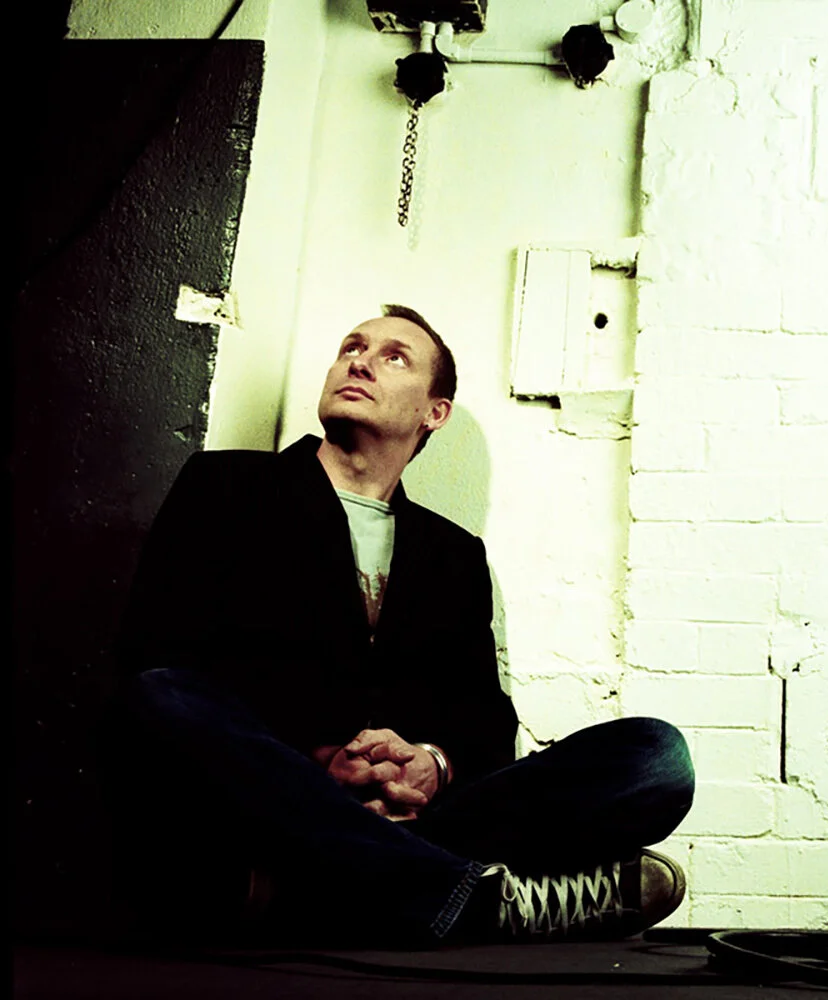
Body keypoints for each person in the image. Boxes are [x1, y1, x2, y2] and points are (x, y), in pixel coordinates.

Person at [102, 304, 693, 946]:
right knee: (160, 696)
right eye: (351, 348)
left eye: (393, 357)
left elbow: (485, 725)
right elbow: (155, 653)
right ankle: (472, 901)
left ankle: (323, 891)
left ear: (434, 411)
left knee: (655, 758)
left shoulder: (454, 555)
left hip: (397, 820)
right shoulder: (226, 484)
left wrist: (430, 765)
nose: (359, 362)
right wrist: (318, 764)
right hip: (267, 795)